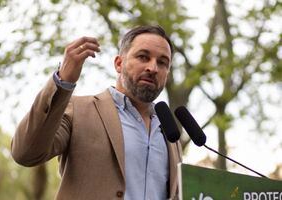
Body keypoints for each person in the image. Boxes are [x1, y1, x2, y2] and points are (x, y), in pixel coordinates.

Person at [11, 25, 180, 199]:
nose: (153, 68)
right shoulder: (78, 111)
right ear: (119, 63)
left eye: (162, 62)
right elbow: (26, 153)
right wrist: (62, 82)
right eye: (143, 57)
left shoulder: (169, 132)